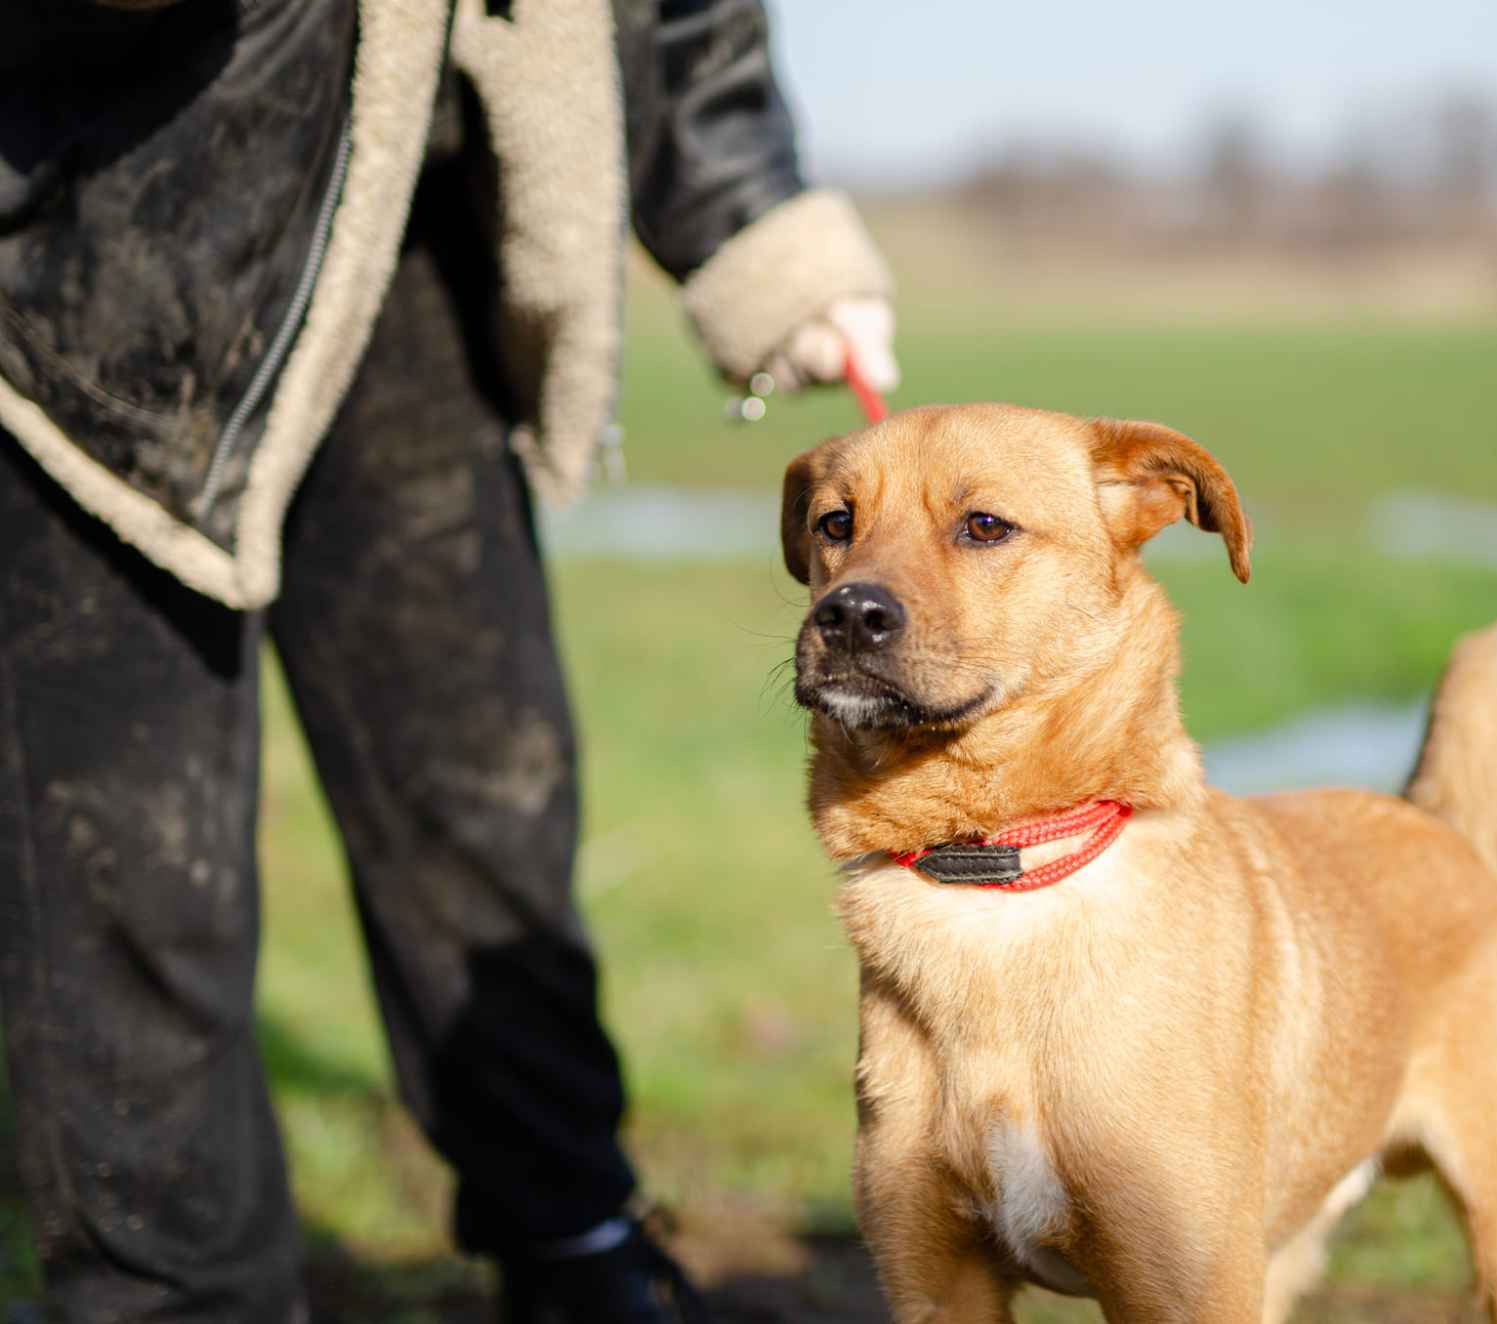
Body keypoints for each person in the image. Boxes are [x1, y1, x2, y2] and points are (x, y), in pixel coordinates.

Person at [0, 1, 897, 1320]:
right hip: (102, 235)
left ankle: (576, 1244)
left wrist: (747, 211)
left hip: (418, 221)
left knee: (487, 794)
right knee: (130, 850)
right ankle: (175, 1299)